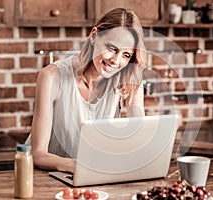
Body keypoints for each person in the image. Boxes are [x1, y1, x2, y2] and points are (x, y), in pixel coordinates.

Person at [27, 8, 147, 173]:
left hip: (92, 177)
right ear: (94, 36)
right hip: (47, 177)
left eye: (126, 55)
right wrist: (77, 166)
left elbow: (139, 139)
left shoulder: (129, 81)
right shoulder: (51, 76)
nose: (116, 61)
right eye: (112, 48)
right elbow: (37, 154)